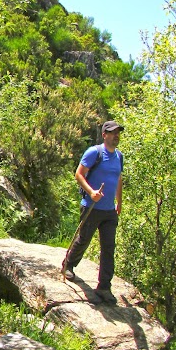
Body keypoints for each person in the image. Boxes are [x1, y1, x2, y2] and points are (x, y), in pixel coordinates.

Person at [62, 120, 124, 304]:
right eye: (113, 133)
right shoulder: (94, 152)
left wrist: (119, 201)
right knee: (84, 238)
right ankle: (68, 265)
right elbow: (79, 174)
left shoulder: (119, 156)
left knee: (108, 248)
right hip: (91, 207)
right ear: (104, 135)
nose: (116, 136)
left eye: (118, 133)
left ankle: (104, 287)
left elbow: (119, 179)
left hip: (109, 210)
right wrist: (91, 192)